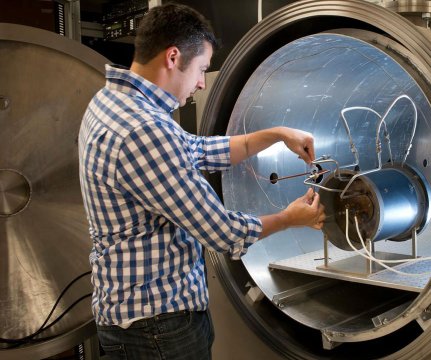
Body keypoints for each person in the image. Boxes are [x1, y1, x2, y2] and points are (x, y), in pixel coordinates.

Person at [78, 3, 325, 359]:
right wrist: (290, 220)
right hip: (158, 328)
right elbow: (221, 231)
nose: (201, 83)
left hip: (133, 318)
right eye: (201, 69)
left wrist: (276, 133)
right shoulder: (144, 130)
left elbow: (194, 149)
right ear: (173, 57)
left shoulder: (112, 103)